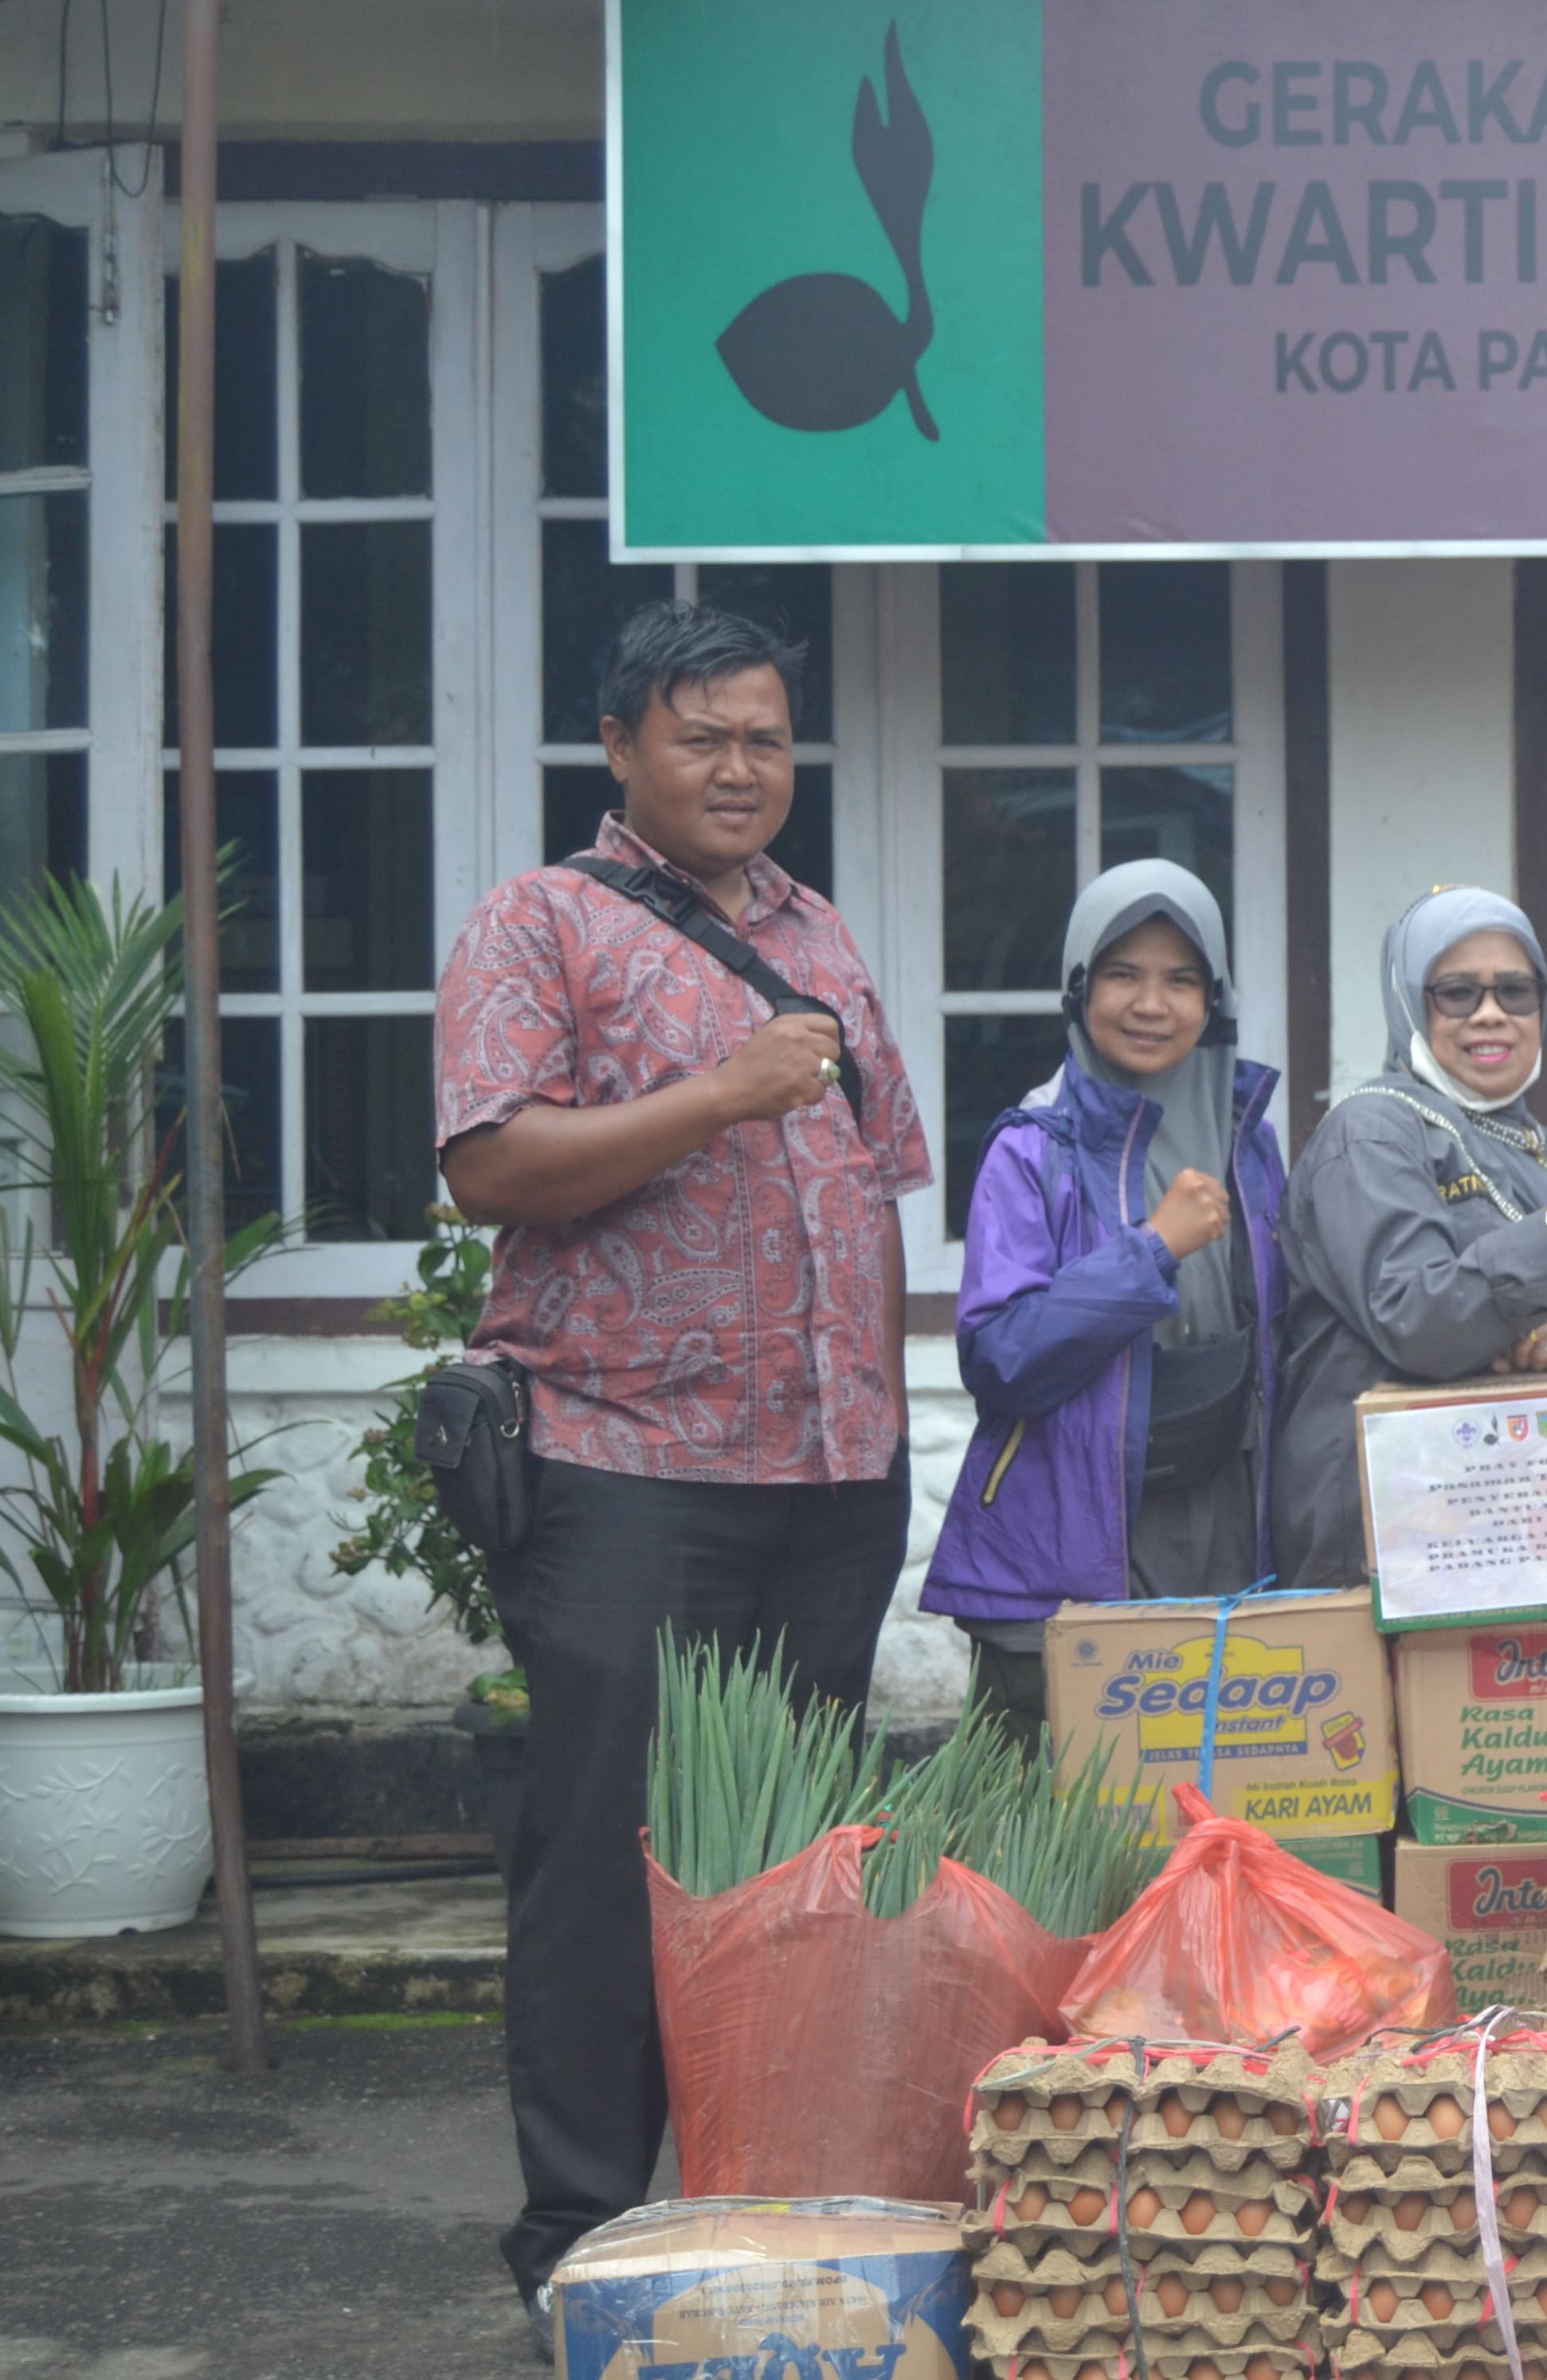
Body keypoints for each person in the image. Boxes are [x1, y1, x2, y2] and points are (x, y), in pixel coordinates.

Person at [433, 598, 932, 2340]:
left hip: (823, 1486)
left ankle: (761, 2213)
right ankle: (575, 2236)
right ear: (622, 748)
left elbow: (872, 1191)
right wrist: (716, 1093)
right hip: (622, 1470)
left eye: (767, 738)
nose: (741, 768)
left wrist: (884, 1434)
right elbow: (493, 1167)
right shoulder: (540, 925)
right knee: (601, 1867)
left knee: (791, 1864)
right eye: (704, 736)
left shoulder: (826, 936)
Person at [921, 862, 1287, 1726]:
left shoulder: (1250, 1141)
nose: (1151, 1004)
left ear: (1215, 999)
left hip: (1224, 1531)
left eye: (1181, 980)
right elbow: (1000, 1357)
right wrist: (1151, 1248)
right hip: (1068, 1543)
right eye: (1123, 974)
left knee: (1212, 1814)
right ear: (1079, 986)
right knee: (1051, 1835)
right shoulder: (1032, 1148)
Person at [1269, 887, 1547, 1585]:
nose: (1491, 1013)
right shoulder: (1371, 1133)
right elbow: (1420, 1317)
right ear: (1409, 1005)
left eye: (1515, 991)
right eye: (1457, 992)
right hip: (1386, 1542)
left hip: (1538, 1527)